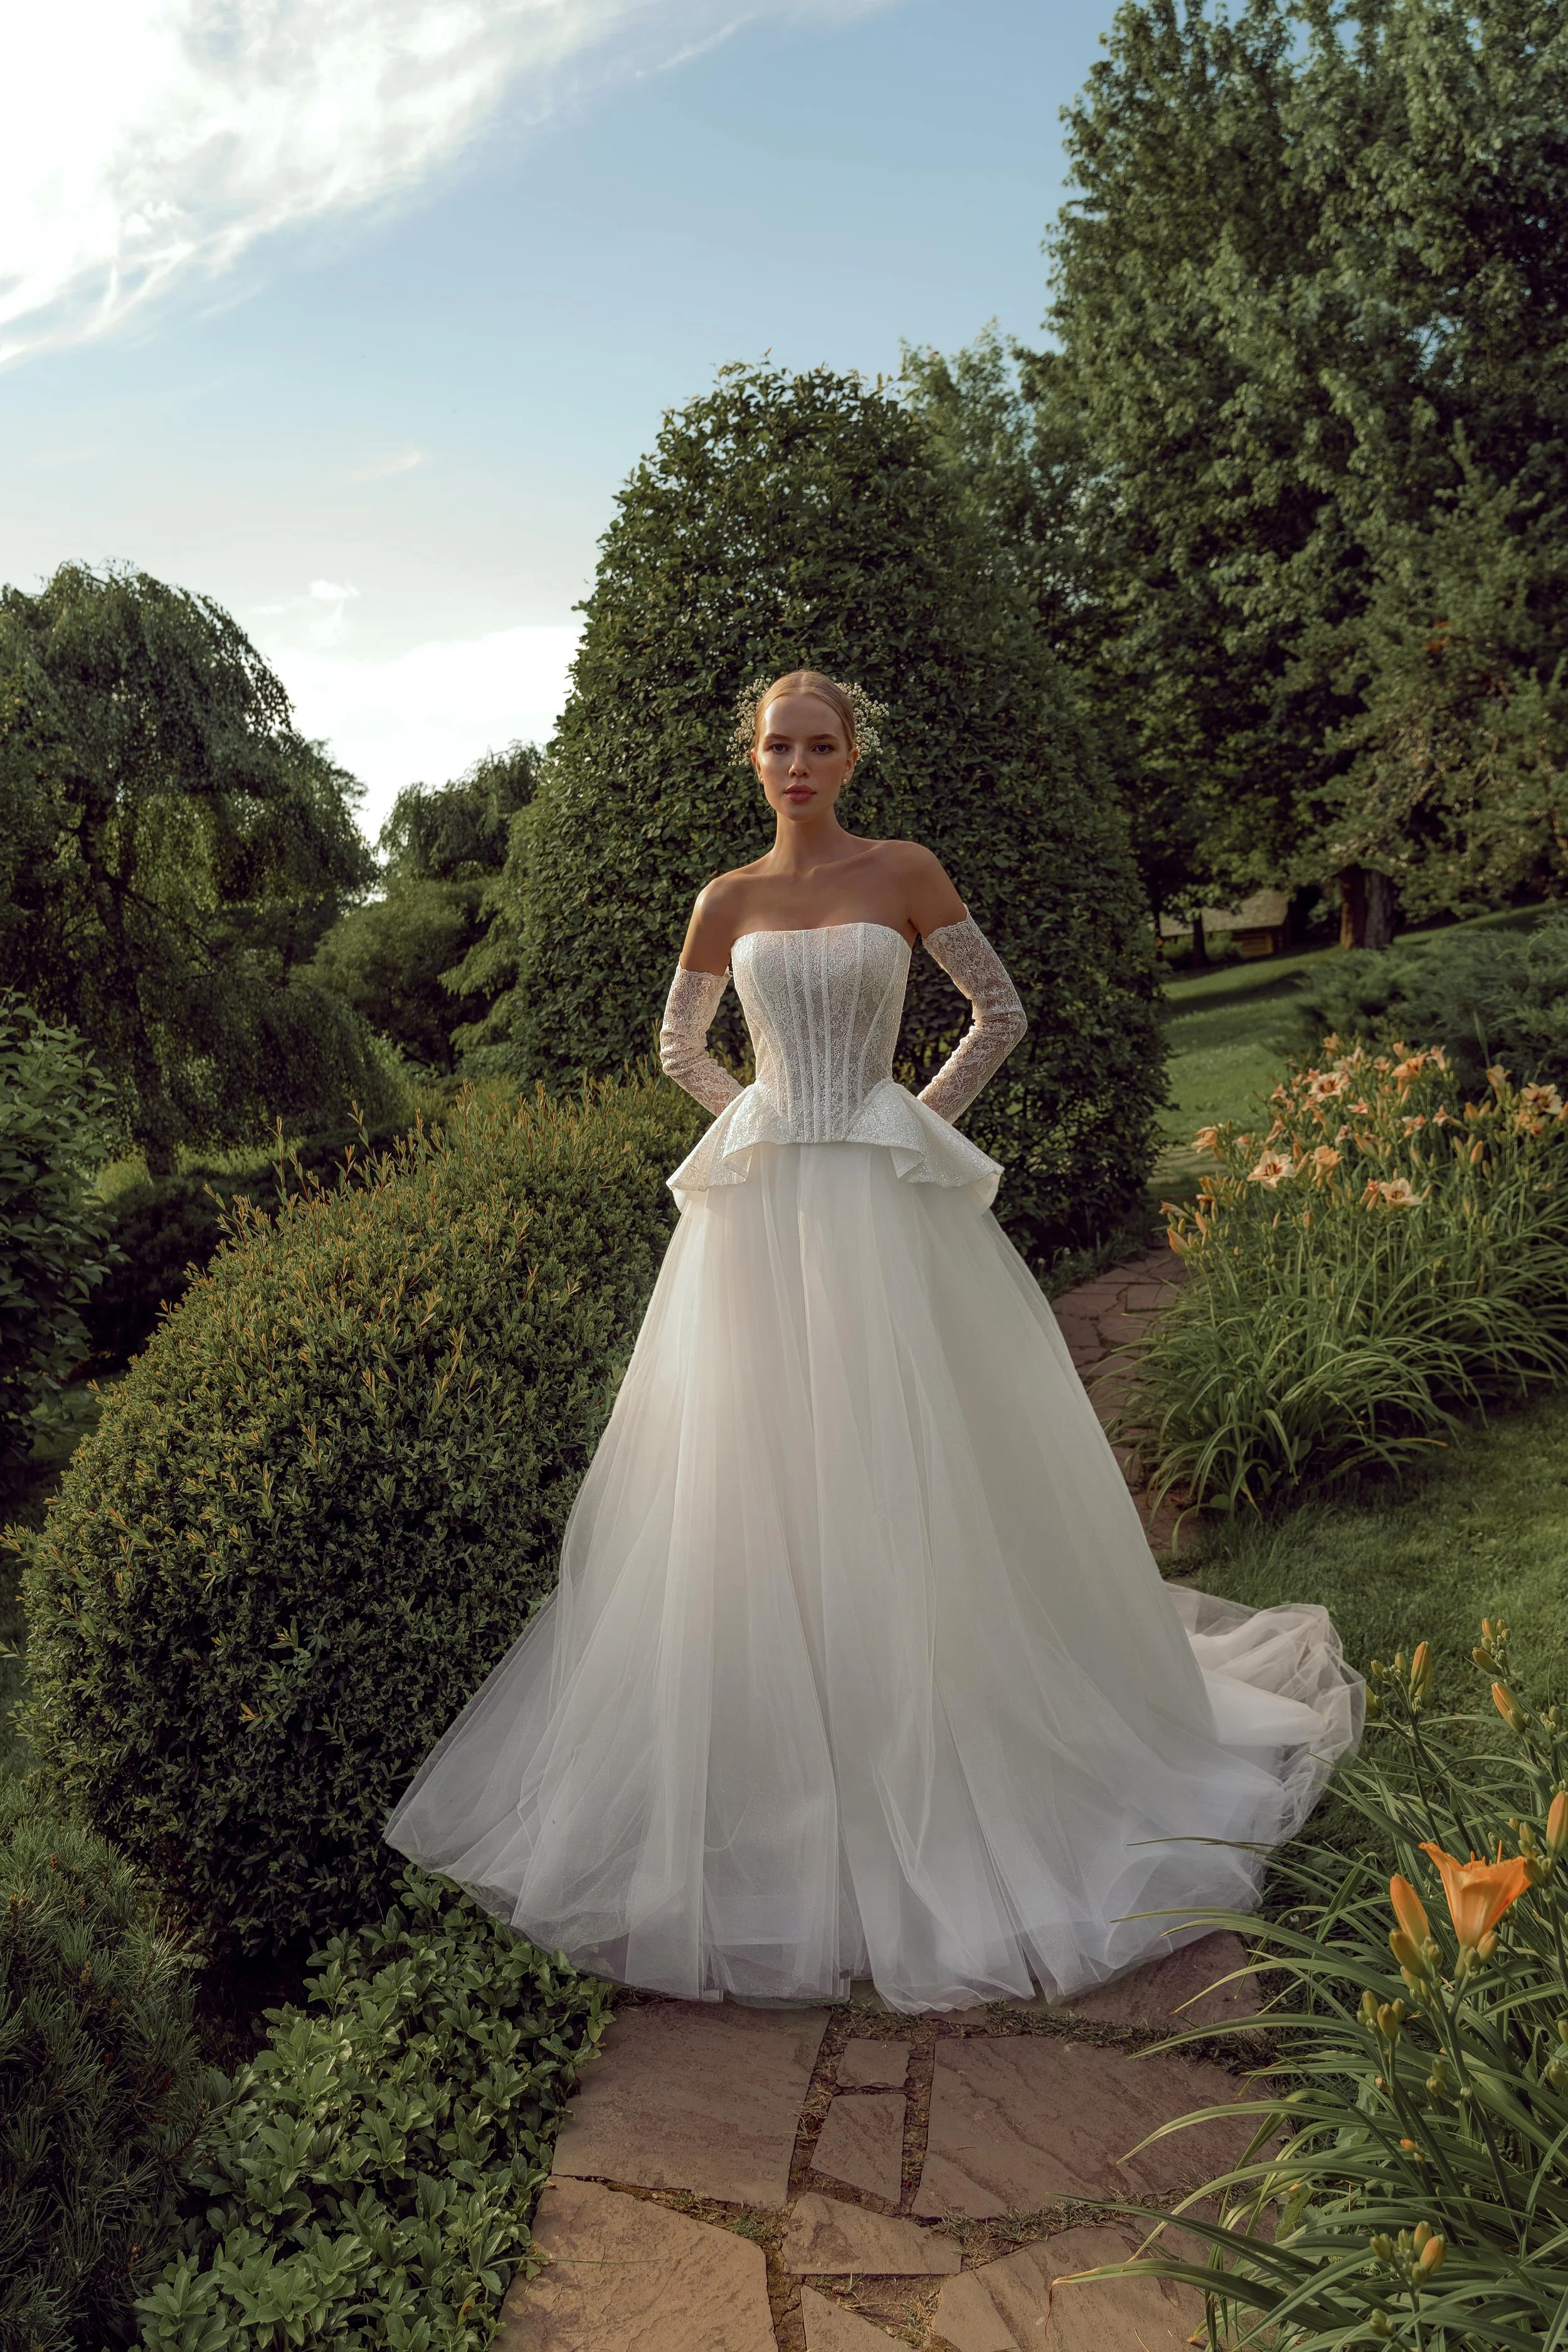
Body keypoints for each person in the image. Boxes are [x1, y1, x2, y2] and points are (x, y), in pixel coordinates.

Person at [386, 669, 1362, 2014]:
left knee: (915, 1462)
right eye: (776, 745)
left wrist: (911, 1120)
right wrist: (757, 1116)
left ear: (852, 756)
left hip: (884, 1209)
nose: (795, 764)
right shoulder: (723, 899)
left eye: (818, 744)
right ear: (751, 757)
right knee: (757, 1471)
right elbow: (676, 1042)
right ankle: (788, 1778)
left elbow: (997, 1012)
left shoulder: (904, 869)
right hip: (763, 1212)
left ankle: (960, 1744)